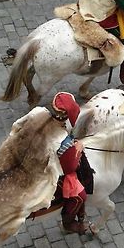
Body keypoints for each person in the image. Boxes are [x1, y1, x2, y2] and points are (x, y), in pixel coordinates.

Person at [51, 92, 88, 235]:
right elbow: (71, 167)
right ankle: (69, 223)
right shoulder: (64, 142)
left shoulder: (44, 118)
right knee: (79, 197)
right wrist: (78, 149)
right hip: (52, 167)